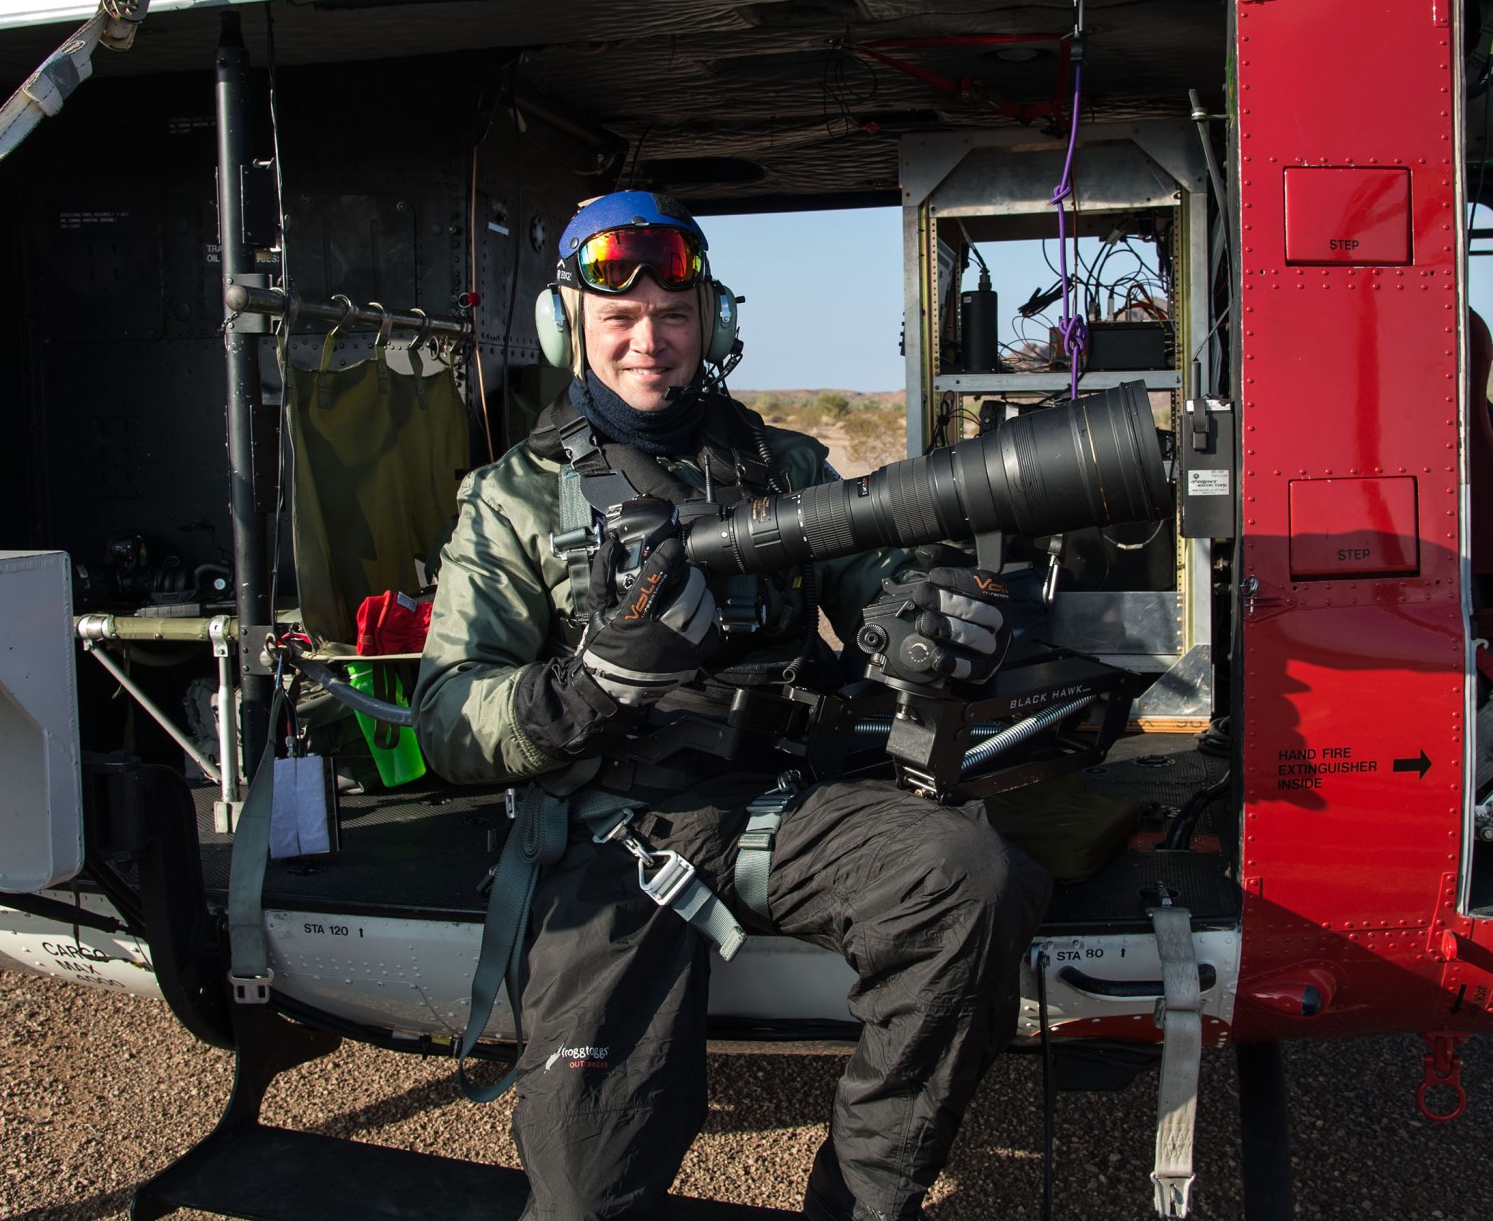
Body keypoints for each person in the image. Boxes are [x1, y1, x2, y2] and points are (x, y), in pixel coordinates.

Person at [414, 190, 1050, 1221]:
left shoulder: (784, 466)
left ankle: (860, 1200)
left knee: (969, 876)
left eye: (672, 316)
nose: (647, 341)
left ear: (711, 322)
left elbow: (879, 587)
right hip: (619, 828)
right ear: (568, 329)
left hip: (786, 803)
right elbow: (448, 717)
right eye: (617, 319)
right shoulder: (514, 497)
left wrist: (937, 626)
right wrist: (596, 681)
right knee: (585, 1189)